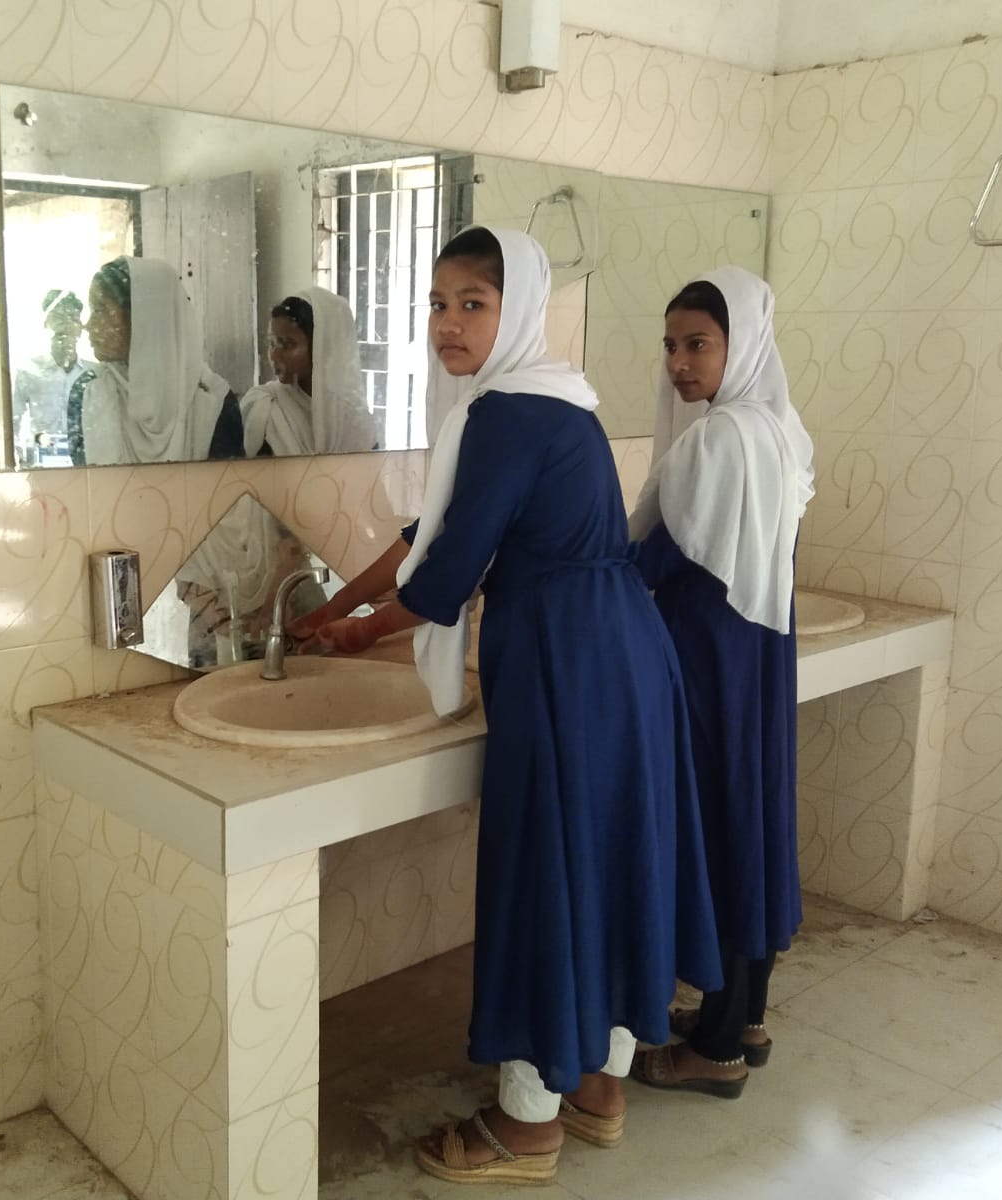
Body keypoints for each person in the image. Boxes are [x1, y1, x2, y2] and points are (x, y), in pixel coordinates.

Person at [292, 227, 722, 1185]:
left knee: (545, 874)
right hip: (624, 656)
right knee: (607, 867)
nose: (448, 323)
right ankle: (599, 1089)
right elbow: (433, 532)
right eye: (437, 304)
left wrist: (359, 631)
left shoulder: (504, 413)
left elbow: (443, 576)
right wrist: (337, 604)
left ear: (516, 309)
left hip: (567, 663)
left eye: (472, 304)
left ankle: (527, 1127)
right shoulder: (556, 399)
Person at [627, 267, 815, 1099]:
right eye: (671, 345)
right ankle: (745, 1017)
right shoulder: (781, 430)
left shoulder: (716, 441)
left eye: (699, 343)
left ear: (742, 345)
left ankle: (716, 1048)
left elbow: (652, 559)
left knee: (717, 832)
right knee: (753, 818)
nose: (679, 363)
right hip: (760, 655)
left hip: (707, 663)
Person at [67, 257, 246, 465]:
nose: (88, 325)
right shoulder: (89, 393)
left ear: (143, 316)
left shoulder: (211, 400)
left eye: (100, 309)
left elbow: (229, 483)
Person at [240, 288, 378, 456]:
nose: (274, 355)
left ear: (321, 348)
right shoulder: (265, 407)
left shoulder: (355, 423)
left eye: (287, 344)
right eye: (272, 343)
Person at [12, 289, 91, 465]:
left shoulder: (95, 374)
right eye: (58, 317)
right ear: (46, 323)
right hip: (42, 465)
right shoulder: (28, 371)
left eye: (72, 317)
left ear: (80, 326)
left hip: (88, 466)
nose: (65, 325)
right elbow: (13, 424)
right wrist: (23, 457)